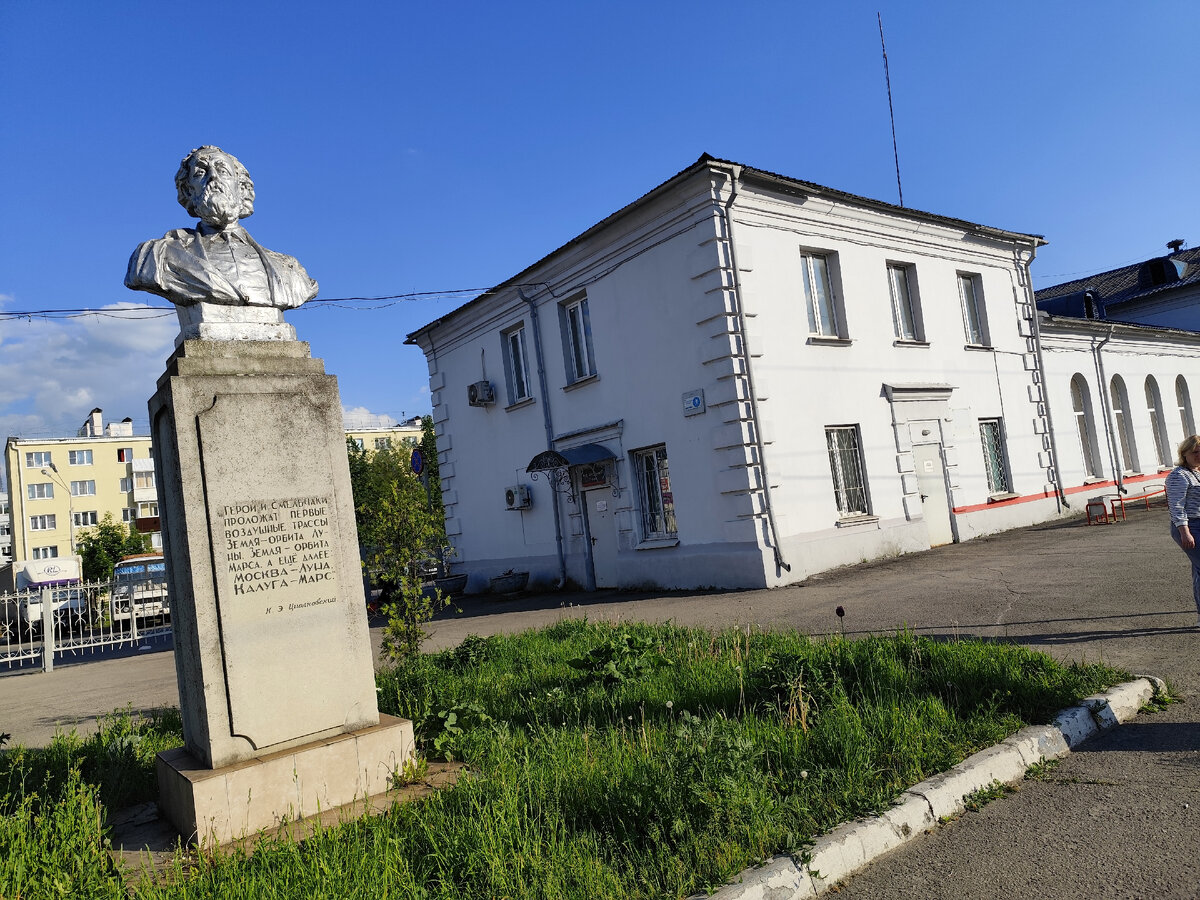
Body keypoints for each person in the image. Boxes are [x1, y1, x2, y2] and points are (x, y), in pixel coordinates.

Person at [125, 146, 317, 341]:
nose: (213, 177)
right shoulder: (158, 256)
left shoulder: (288, 268)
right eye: (200, 173)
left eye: (222, 170)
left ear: (241, 188)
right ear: (188, 191)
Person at [1166, 434, 1200, 626]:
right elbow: (1176, 506)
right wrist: (1184, 532)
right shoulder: (1179, 475)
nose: (1199, 455)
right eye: (1195, 452)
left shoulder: (1198, 472)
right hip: (1190, 526)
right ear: (1184, 454)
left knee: (1198, 570)